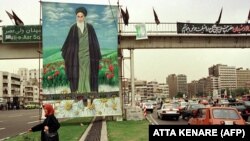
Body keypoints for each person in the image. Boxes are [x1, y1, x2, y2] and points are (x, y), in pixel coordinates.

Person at [61, 6, 101, 93]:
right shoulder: (73, 28)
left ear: (84, 17)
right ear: (76, 17)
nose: (80, 18)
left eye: (81, 16)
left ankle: (88, 95)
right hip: (77, 58)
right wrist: (67, 54)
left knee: (87, 75)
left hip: (88, 57)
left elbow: (95, 42)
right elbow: (67, 43)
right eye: (78, 16)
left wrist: (97, 55)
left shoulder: (90, 28)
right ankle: (79, 95)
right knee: (78, 75)